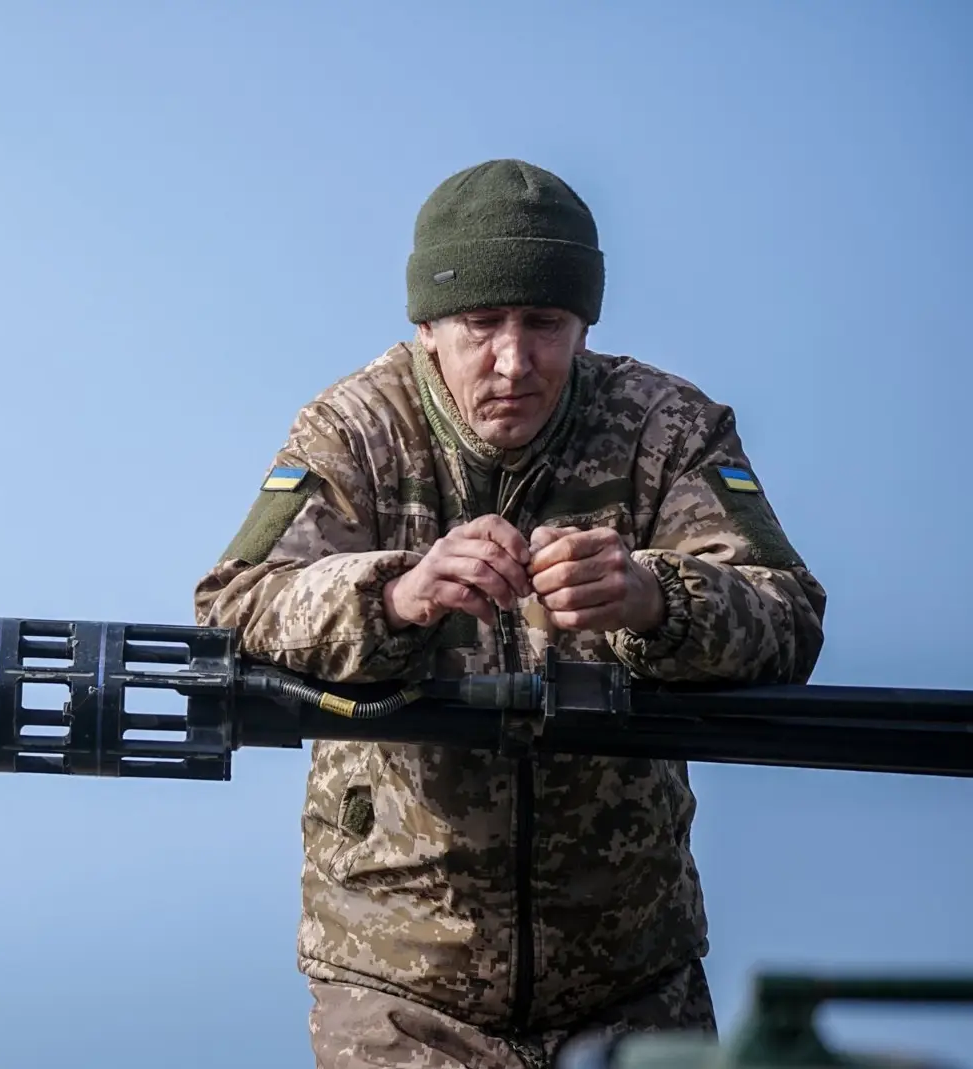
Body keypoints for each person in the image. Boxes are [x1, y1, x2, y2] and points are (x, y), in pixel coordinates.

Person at [192, 159, 827, 1069]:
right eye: (480, 324)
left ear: (585, 325)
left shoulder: (669, 429)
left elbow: (789, 615)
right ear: (425, 327)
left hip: (629, 977)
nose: (514, 361)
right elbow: (236, 603)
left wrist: (659, 599)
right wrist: (393, 594)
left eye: (546, 324)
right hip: (400, 982)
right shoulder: (356, 431)